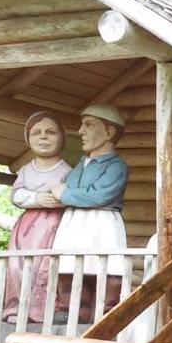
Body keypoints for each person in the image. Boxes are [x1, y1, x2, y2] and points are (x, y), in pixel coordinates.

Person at [50, 104, 129, 321]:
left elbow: (98, 195)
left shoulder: (116, 166)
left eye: (89, 125)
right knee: (69, 265)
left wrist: (65, 194)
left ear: (109, 132)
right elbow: (69, 186)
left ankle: (105, 315)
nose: (81, 131)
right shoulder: (81, 165)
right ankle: (71, 311)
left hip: (101, 222)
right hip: (75, 222)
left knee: (105, 267)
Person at [2, 111, 72, 323]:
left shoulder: (67, 170)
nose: (43, 137)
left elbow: (69, 194)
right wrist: (37, 198)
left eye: (50, 132)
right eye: (37, 133)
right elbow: (15, 195)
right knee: (17, 267)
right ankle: (16, 309)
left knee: (47, 267)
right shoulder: (25, 169)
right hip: (25, 230)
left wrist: (57, 199)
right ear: (28, 139)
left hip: (54, 226)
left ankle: (43, 310)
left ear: (62, 137)